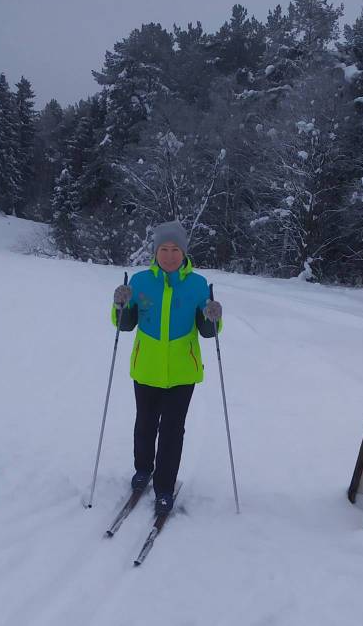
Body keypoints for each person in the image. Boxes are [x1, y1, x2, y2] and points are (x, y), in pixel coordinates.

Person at [111, 220, 222, 515]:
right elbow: (125, 324)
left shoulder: (197, 284)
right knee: (145, 425)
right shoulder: (140, 281)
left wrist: (213, 315)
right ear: (155, 251)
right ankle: (143, 470)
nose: (170, 255)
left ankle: (164, 486)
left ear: (183, 252)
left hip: (183, 372)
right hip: (146, 368)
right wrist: (120, 303)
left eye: (175, 249)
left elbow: (208, 331)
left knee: (172, 431)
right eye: (164, 249)